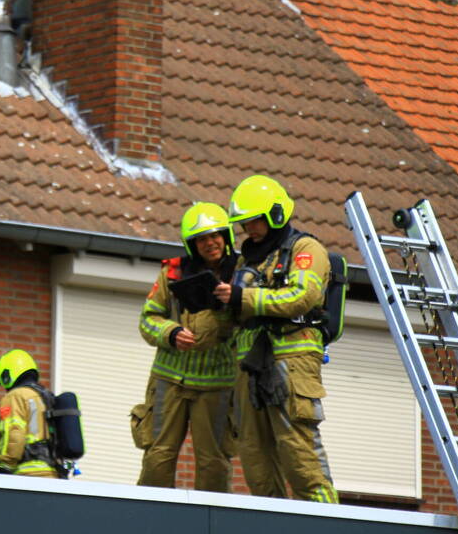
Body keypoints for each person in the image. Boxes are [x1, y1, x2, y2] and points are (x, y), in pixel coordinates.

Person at [213, 174, 338, 504]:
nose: (248, 229)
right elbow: (237, 315)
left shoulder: (305, 249)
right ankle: (273, 527)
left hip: (292, 363)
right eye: (244, 223)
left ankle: (327, 524)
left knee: (299, 456)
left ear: (276, 215)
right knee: (255, 460)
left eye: (255, 221)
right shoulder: (245, 260)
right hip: (249, 368)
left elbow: (302, 296)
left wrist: (243, 296)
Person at [134, 202, 238, 492]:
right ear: (192, 244)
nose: (210, 243)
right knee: (158, 457)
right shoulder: (172, 272)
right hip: (168, 379)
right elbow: (147, 319)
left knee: (214, 464)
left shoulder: (242, 273)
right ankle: (152, 512)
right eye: (201, 239)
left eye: (215, 235)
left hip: (217, 384)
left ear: (226, 236)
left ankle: (213, 518)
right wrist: (171, 333)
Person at [0, 349, 58, 478]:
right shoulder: (46, 397)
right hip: (52, 473)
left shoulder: (15, 396)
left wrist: (4, 465)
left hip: (28, 473)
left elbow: (14, 432)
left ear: (7, 375)